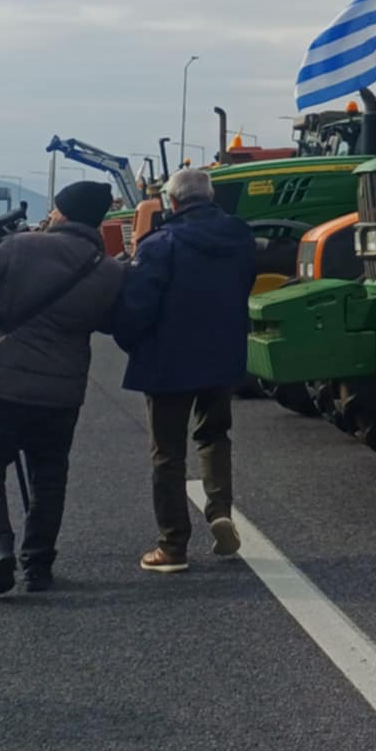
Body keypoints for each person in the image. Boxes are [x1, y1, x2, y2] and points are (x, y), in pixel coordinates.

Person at [0, 181, 127, 597]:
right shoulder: (109, 270)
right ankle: (39, 565)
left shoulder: (21, 246)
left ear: (63, 212)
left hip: (4, 380)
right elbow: (109, 321)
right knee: (49, 474)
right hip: (62, 391)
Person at [114, 167, 256, 573]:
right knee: (214, 435)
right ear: (209, 197)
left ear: (172, 202)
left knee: (168, 453)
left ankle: (172, 545)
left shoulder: (161, 244)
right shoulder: (239, 236)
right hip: (223, 354)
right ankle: (219, 510)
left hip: (168, 360)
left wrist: (130, 340)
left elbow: (137, 308)